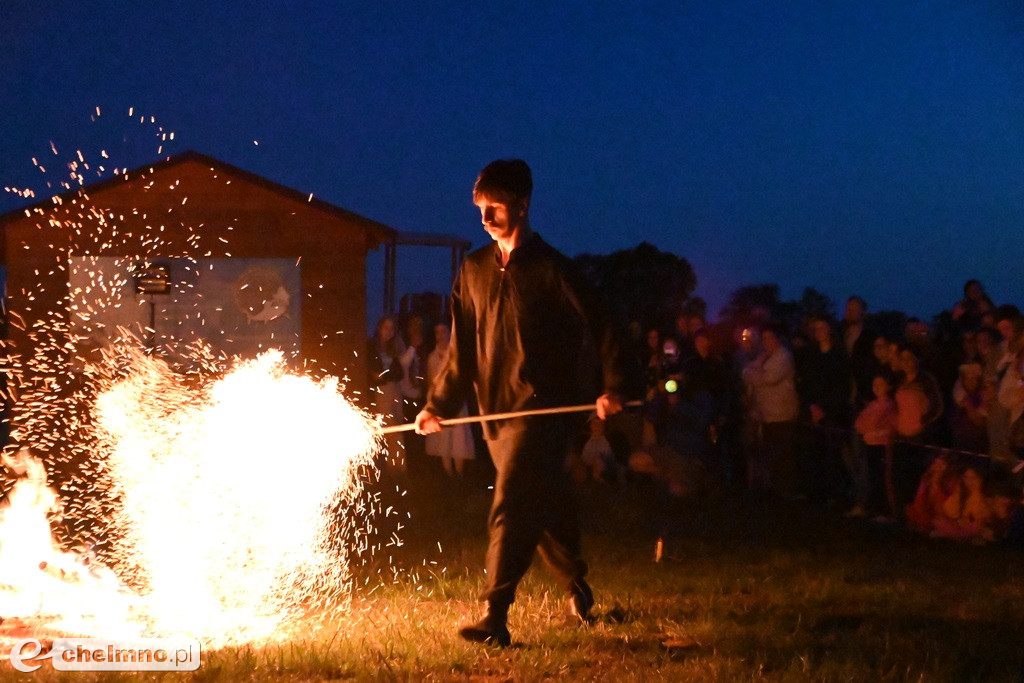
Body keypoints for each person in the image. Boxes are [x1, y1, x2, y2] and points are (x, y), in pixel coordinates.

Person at [415, 159, 622, 647]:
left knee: (510, 503)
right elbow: (461, 348)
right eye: (480, 208)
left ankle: (495, 614)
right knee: (541, 505)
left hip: (542, 411)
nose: (485, 218)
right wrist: (437, 403)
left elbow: (604, 326)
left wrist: (611, 385)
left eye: (496, 207)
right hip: (495, 415)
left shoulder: (552, 269)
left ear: (523, 207)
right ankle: (577, 589)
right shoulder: (472, 270)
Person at [742, 324, 800, 498]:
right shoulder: (764, 358)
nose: (767, 342)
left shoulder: (784, 357)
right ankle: (775, 489)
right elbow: (745, 374)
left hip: (782, 415)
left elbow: (768, 378)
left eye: (770, 338)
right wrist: (758, 365)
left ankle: (787, 490)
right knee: (772, 454)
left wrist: (755, 371)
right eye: (764, 338)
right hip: (767, 416)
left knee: (783, 455)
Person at [424, 323, 475, 476]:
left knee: (459, 434)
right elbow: (431, 379)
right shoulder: (432, 357)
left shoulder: (455, 354)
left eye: (443, 331)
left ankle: (459, 472)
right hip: (440, 399)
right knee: (443, 435)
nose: (440, 335)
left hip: (457, 398)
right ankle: (448, 472)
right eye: (437, 332)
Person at [368, 316, 406, 472]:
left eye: (392, 329)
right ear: (379, 328)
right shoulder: (371, 347)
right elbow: (375, 375)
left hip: (394, 391)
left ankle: (398, 469)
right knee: (392, 432)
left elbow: (399, 373)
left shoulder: (393, 348)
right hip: (381, 393)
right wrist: (387, 375)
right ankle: (396, 471)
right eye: (386, 328)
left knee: (399, 427)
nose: (389, 332)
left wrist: (386, 374)